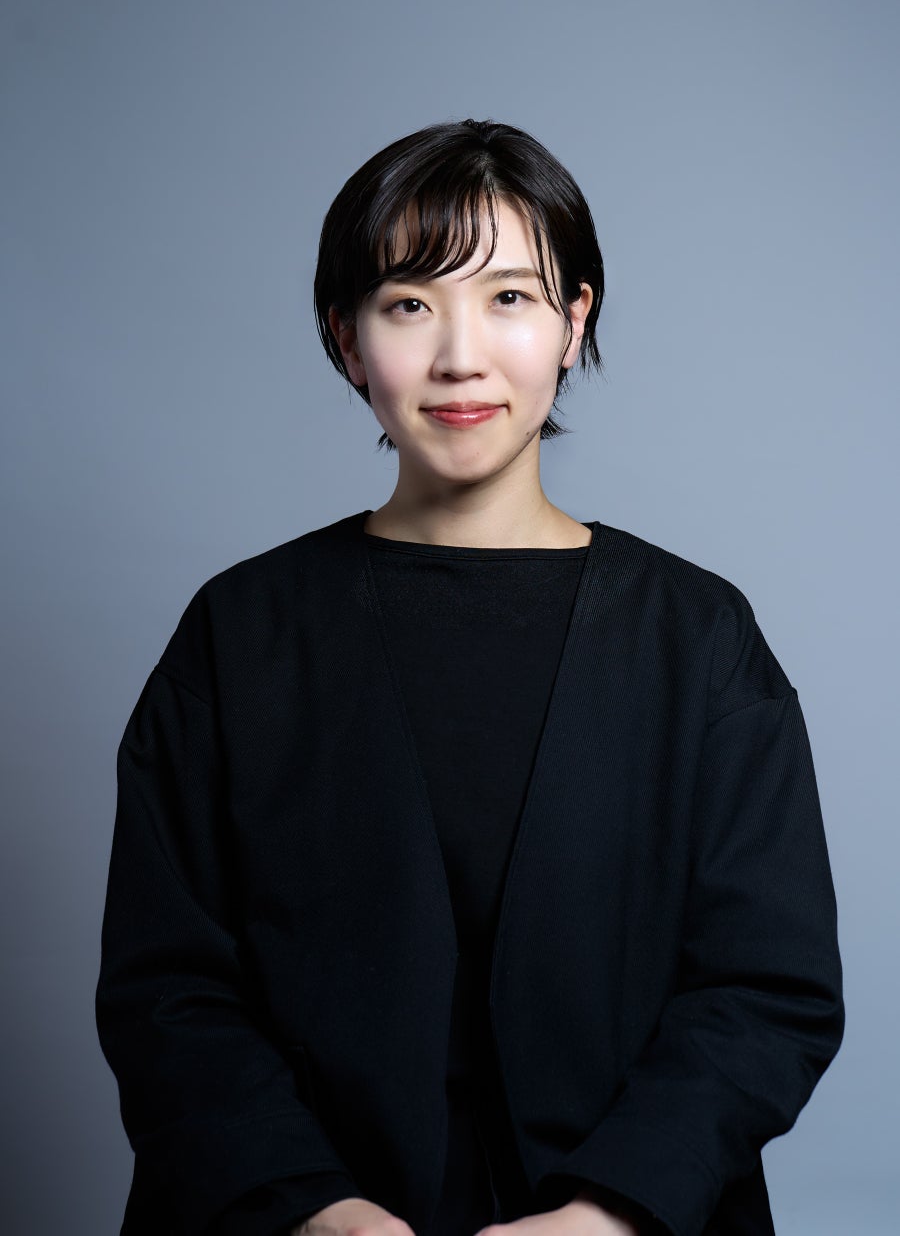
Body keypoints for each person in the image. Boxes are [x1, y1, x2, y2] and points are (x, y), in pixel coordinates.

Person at [95, 118, 844, 1236]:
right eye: (409, 303)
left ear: (573, 324)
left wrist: (608, 1214)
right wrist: (315, 1208)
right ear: (348, 339)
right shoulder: (239, 634)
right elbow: (166, 989)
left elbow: (768, 987)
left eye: (509, 298)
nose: (460, 356)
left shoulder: (698, 640)